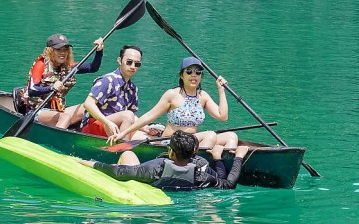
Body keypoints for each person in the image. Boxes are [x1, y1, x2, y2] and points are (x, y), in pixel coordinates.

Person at [107, 56, 247, 159]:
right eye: (189, 71)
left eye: (198, 72)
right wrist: (122, 134)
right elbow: (149, 116)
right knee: (210, 135)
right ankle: (199, 167)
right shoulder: (172, 95)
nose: (194, 75)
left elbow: (223, 116)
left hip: (193, 141)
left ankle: (224, 166)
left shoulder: (203, 96)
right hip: (173, 142)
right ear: (181, 75)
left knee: (232, 136)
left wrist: (221, 90)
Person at [78, 131, 247, 191]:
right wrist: (235, 157)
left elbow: (119, 172)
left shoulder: (156, 168)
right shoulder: (199, 175)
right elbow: (227, 184)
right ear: (194, 153)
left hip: (147, 186)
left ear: (170, 151)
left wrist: (86, 162)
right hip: (185, 195)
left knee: (128, 155)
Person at [21, 33, 104, 129]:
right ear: (50, 51)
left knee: (90, 107)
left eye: (65, 50)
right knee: (65, 117)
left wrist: (99, 51)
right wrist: (51, 88)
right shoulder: (41, 64)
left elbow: (92, 67)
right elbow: (31, 90)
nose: (63, 53)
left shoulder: (68, 66)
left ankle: (87, 133)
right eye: (58, 50)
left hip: (58, 110)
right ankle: (55, 140)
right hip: (37, 111)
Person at [81, 45, 150, 139]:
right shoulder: (107, 80)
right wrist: (107, 122)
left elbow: (132, 116)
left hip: (117, 127)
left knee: (147, 137)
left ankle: (124, 146)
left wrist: (146, 128)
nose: (133, 66)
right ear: (119, 60)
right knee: (128, 115)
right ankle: (122, 150)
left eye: (137, 64)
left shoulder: (133, 88)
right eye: (129, 62)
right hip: (95, 126)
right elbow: (88, 104)